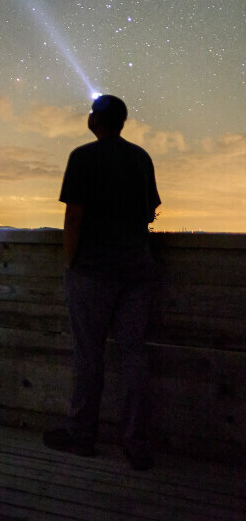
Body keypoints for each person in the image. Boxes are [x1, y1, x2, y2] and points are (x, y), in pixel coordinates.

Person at [43, 94, 161, 470]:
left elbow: (73, 218)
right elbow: (150, 212)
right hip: (137, 271)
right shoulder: (141, 158)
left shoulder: (83, 157)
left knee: (89, 355)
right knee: (134, 355)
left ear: (97, 120)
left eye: (92, 112)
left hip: (92, 273)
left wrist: (71, 262)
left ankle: (81, 436)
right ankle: (136, 442)